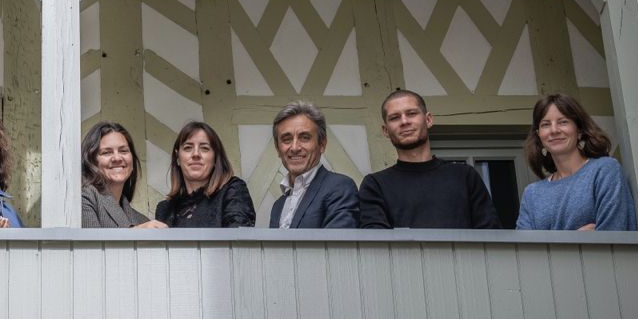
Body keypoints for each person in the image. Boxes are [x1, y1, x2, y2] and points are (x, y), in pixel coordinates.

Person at [357, 89, 500, 229]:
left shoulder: (464, 176)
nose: (404, 121)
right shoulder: (375, 185)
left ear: (428, 119)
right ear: (385, 131)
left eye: (411, 113)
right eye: (395, 118)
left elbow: (491, 236)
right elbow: (376, 246)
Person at [516, 93, 638, 231]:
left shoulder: (605, 171)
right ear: (539, 136)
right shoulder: (532, 194)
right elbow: (526, 251)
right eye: (546, 124)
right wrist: (578, 238)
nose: (554, 130)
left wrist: (552, 247)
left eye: (563, 122)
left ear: (579, 130)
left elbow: (614, 237)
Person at [267, 100, 359, 229]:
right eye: (287, 139)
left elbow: (336, 247)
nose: (294, 147)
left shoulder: (340, 188)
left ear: (322, 144)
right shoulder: (278, 206)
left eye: (304, 137)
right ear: (277, 148)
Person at [154, 121, 255, 228]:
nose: (196, 154)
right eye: (188, 148)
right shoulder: (165, 210)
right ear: (178, 158)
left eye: (204, 148)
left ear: (215, 158)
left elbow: (239, 239)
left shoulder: (232, 191)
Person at [80, 121, 165, 228]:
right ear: (91, 161)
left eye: (123, 151)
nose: (117, 158)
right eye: (107, 152)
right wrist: (137, 232)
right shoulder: (84, 197)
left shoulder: (142, 220)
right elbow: (90, 244)